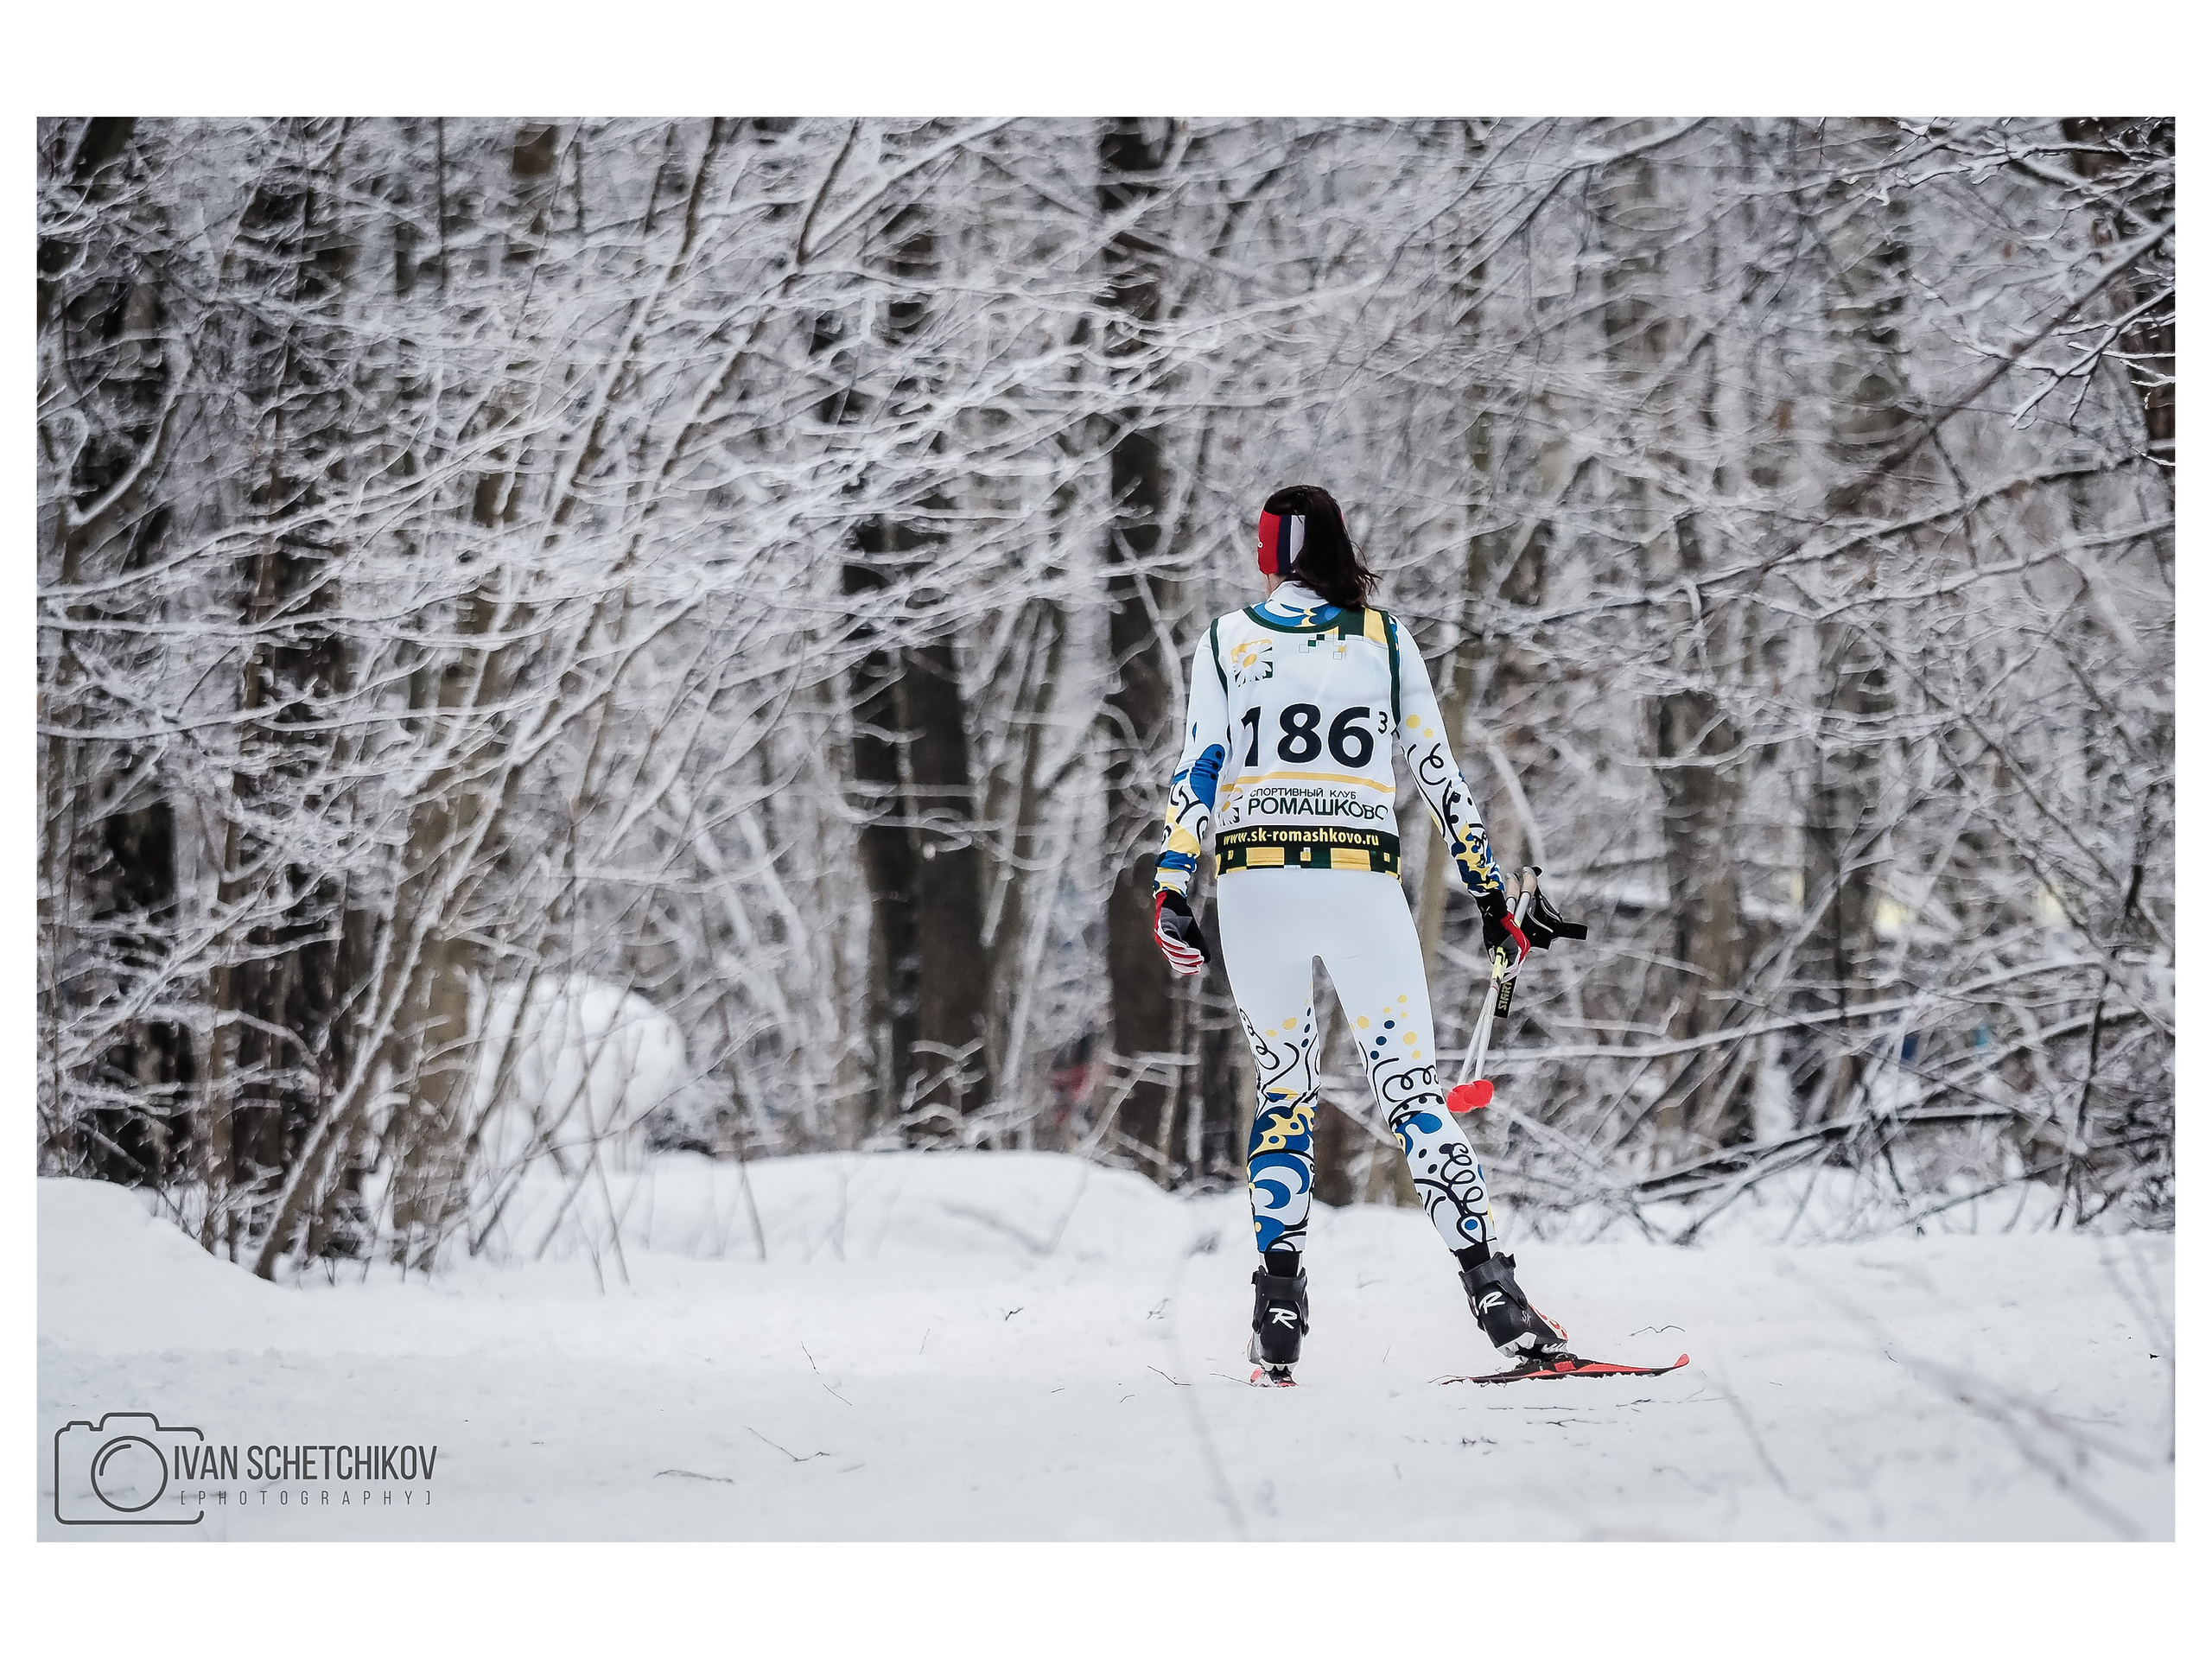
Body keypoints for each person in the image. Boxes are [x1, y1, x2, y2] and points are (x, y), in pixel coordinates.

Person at [1149, 483, 1570, 1384]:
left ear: (1270, 553)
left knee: (1284, 1089)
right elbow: (1439, 776)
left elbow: (1200, 769)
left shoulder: (1225, 641)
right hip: (1358, 880)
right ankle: (1497, 1296)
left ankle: (1278, 1309)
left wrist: (1171, 884)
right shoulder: (1383, 639)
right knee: (1411, 1092)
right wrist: (1492, 896)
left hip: (1256, 884)